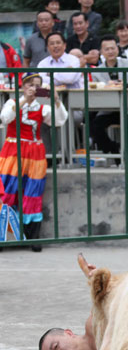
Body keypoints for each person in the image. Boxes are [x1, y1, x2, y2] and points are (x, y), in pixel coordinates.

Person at [0, 73, 67, 250]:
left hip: (35, 153)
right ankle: (3, 235)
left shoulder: (43, 108)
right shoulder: (13, 103)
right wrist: (23, 101)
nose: (33, 89)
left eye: (36, 86)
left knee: (32, 193)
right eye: (30, 85)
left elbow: (59, 120)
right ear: (23, 86)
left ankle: (32, 237)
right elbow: (5, 118)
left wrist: (57, 101)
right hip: (13, 151)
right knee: (7, 190)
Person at [92, 35, 128, 162]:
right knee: (94, 125)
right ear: (102, 52)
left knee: (127, 122)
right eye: (106, 49)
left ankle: (127, 156)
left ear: (117, 49)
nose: (110, 52)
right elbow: (97, 89)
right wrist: (105, 87)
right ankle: (113, 148)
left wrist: (126, 85)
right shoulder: (97, 71)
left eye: (112, 48)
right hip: (108, 109)